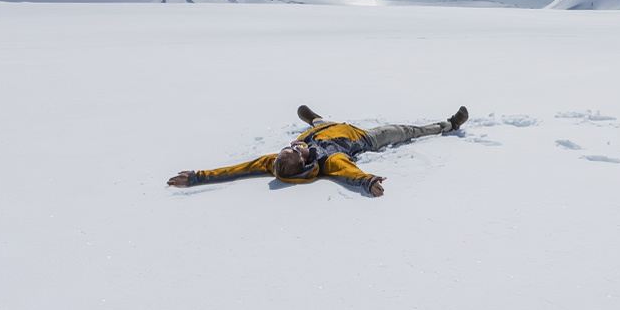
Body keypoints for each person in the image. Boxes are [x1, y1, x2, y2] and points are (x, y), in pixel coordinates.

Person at [166, 104, 469, 196]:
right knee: (402, 131)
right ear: (307, 165)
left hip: (322, 129)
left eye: (290, 148)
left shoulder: (275, 161)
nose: (294, 147)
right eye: (297, 152)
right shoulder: (332, 160)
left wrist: (197, 176)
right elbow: (349, 172)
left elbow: (237, 169)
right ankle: (447, 125)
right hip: (359, 136)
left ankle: (313, 118)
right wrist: (369, 182)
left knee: (317, 123)